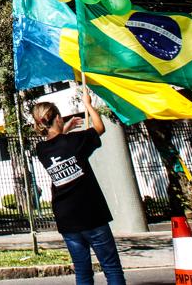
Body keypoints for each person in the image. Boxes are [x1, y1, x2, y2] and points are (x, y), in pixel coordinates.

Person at [33, 87, 126, 285]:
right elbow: (100, 128)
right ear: (58, 117)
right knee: (111, 267)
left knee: (83, 272)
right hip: (91, 214)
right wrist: (88, 105)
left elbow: (55, 144)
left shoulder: (41, 150)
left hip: (67, 219)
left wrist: (65, 128)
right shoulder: (76, 141)